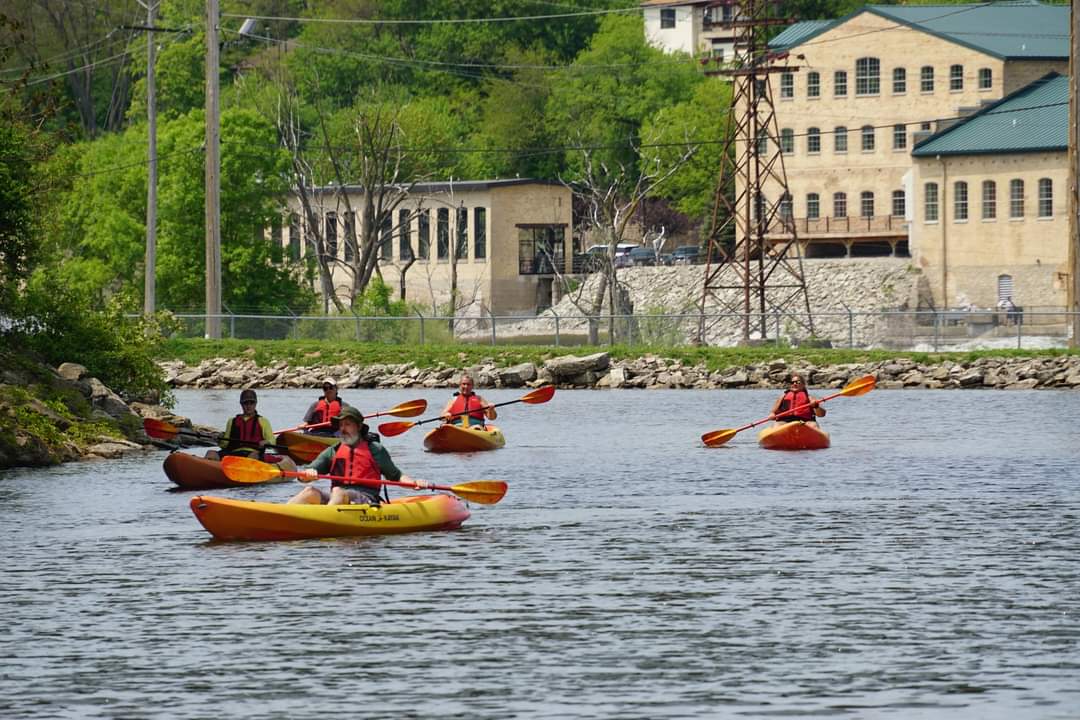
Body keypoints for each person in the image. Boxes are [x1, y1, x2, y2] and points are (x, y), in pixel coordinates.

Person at [288, 406, 426, 506]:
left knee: (338, 492)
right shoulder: (334, 451)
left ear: (358, 427)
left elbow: (396, 476)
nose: (343, 429)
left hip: (366, 499)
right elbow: (303, 476)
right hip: (337, 498)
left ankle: (324, 522)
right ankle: (284, 515)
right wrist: (306, 475)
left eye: (347, 424)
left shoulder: (375, 449)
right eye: (341, 425)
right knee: (309, 491)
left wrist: (414, 483)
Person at [205, 389, 278, 461]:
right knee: (210, 453)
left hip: (252, 453)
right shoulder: (232, 421)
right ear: (241, 404)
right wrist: (219, 440)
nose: (249, 406)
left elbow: (272, 441)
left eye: (251, 403)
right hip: (232, 452)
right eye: (246, 403)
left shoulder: (263, 421)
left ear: (255, 403)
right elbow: (225, 444)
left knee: (253, 456)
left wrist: (267, 442)